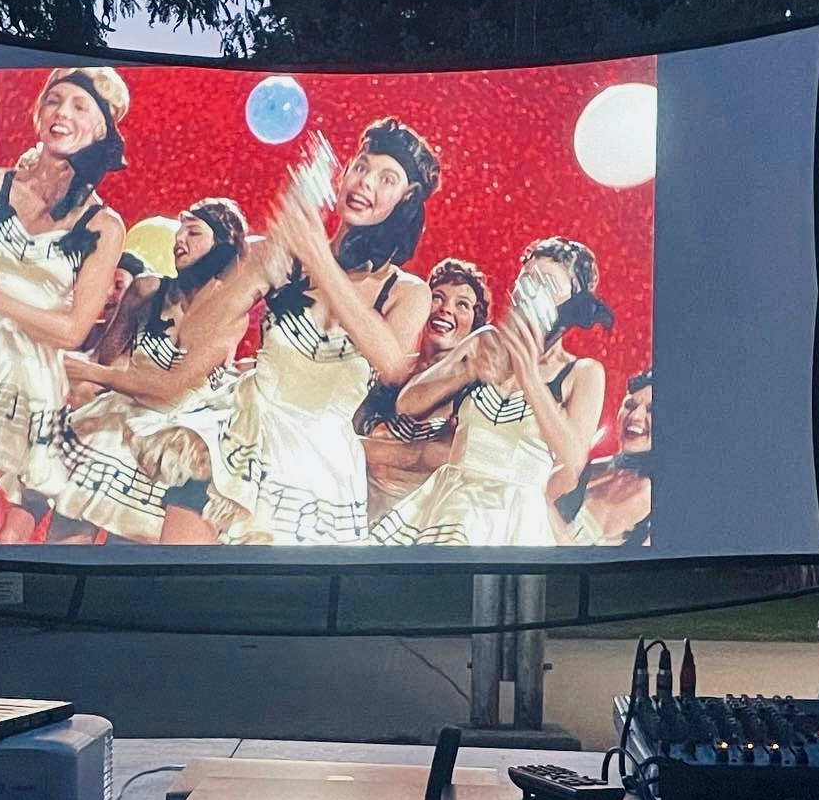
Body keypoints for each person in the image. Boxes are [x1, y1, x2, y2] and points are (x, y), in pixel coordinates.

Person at [155, 117, 441, 545]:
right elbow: (193, 333)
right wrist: (263, 262)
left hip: (315, 469)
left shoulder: (407, 292)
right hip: (239, 434)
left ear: (406, 200)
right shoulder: (286, 255)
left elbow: (390, 364)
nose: (366, 183)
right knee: (178, 586)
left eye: (387, 178)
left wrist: (317, 256)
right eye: (361, 167)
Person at [370, 237, 610, 547]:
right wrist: (467, 371)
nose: (531, 292)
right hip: (449, 502)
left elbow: (573, 458)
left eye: (547, 283)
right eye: (527, 280)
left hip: (512, 517)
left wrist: (530, 378)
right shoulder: (485, 341)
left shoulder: (583, 373)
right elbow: (408, 403)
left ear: (574, 299)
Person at [44, 199, 250, 543]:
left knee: (131, 561)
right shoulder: (146, 289)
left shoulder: (232, 313)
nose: (179, 240)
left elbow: (170, 388)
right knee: (67, 542)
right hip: (117, 429)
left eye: (193, 232)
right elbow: (103, 358)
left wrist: (96, 375)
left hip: (176, 449)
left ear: (222, 246)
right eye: (179, 230)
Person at [0, 66, 129, 543]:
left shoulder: (104, 227)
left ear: (100, 129)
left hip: (27, 381)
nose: (61, 113)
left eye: (78, 105)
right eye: (54, 100)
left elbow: (73, 331)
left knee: (6, 528)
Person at [356, 257, 491, 523]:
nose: (445, 309)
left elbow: (439, 456)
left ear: (476, 324)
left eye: (462, 304)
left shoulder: (474, 390)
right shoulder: (387, 366)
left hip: (413, 527)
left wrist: (350, 448)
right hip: (349, 508)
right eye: (437, 298)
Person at [551, 368, 652, 546]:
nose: (635, 416)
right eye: (630, 405)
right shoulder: (590, 469)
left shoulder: (667, 499)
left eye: (652, 410)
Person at [82, 251, 148, 357]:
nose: (109, 292)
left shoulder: (139, 345)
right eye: (105, 285)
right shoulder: (84, 331)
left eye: (119, 286)